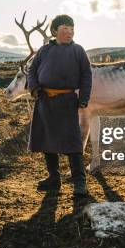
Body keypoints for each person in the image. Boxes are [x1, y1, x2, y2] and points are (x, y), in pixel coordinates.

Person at [27, 14, 92, 196]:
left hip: (66, 102)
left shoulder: (78, 50)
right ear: (55, 31)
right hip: (44, 100)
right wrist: (34, 89)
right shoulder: (44, 51)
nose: (69, 32)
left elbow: (87, 75)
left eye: (72, 29)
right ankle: (53, 178)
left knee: (73, 143)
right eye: (65, 28)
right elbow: (32, 71)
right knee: (47, 141)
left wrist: (84, 98)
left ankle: (80, 182)